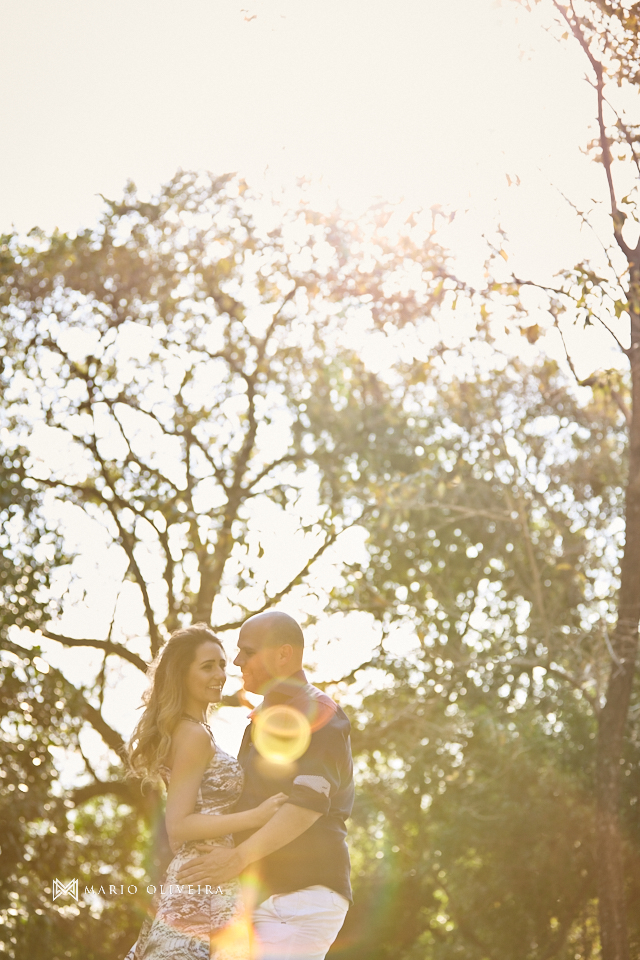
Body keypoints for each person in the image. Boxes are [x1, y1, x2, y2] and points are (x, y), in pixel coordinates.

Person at [177, 611, 354, 960]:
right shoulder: (258, 723)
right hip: (262, 898)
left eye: (248, 651)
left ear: (283, 655)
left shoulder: (316, 711)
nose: (238, 661)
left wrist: (237, 858)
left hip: (300, 896)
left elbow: (307, 805)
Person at [124, 623, 287, 960]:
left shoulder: (194, 732)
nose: (220, 674)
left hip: (211, 876)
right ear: (183, 674)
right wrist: (254, 817)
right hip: (199, 884)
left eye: (222, 665)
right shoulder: (193, 735)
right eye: (207, 666)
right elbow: (179, 826)